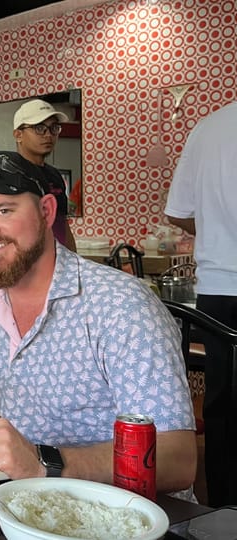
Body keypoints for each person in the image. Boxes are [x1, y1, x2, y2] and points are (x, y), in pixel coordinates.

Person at [0, 154, 196, 496]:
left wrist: (44, 462)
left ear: (47, 212)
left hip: (127, 514)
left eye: (3, 210)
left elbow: (176, 459)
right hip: (28, 507)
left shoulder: (120, 305)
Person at [165, 99, 237, 507]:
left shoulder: (208, 128)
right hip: (218, 285)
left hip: (218, 288)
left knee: (223, 403)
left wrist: (214, 226)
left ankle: (224, 507)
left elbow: (178, 212)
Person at [0, 99, 77, 251]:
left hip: (60, 261)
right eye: (39, 128)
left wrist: (73, 260)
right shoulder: (6, 174)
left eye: (54, 128)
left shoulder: (55, 175)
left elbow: (62, 223)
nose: (48, 135)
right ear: (18, 135)